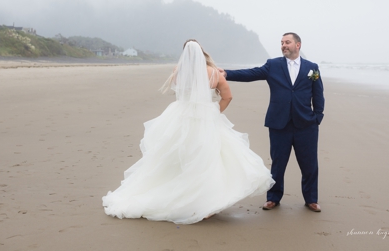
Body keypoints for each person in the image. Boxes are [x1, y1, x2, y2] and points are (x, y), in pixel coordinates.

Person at [103, 40, 274, 224]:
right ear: (202, 53)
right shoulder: (213, 73)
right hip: (205, 118)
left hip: (180, 117)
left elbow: (180, 90)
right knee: (208, 158)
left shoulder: (178, 71)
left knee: (176, 158)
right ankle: (206, 203)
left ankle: (180, 196)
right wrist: (215, 112)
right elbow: (228, 96)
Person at [223, 32, 326, 212]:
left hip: (306, 125)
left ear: (298, 45)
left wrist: (317, 117)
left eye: (287, 42)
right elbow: (251, 73)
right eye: (282, 42)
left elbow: (318, 94)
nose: (283, 45)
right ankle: (273, 198)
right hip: (279, 124)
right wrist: (226, 74)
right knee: (278, 164)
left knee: (309, 165)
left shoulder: (312, 68)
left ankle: (311, 199)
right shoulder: (273, 65)